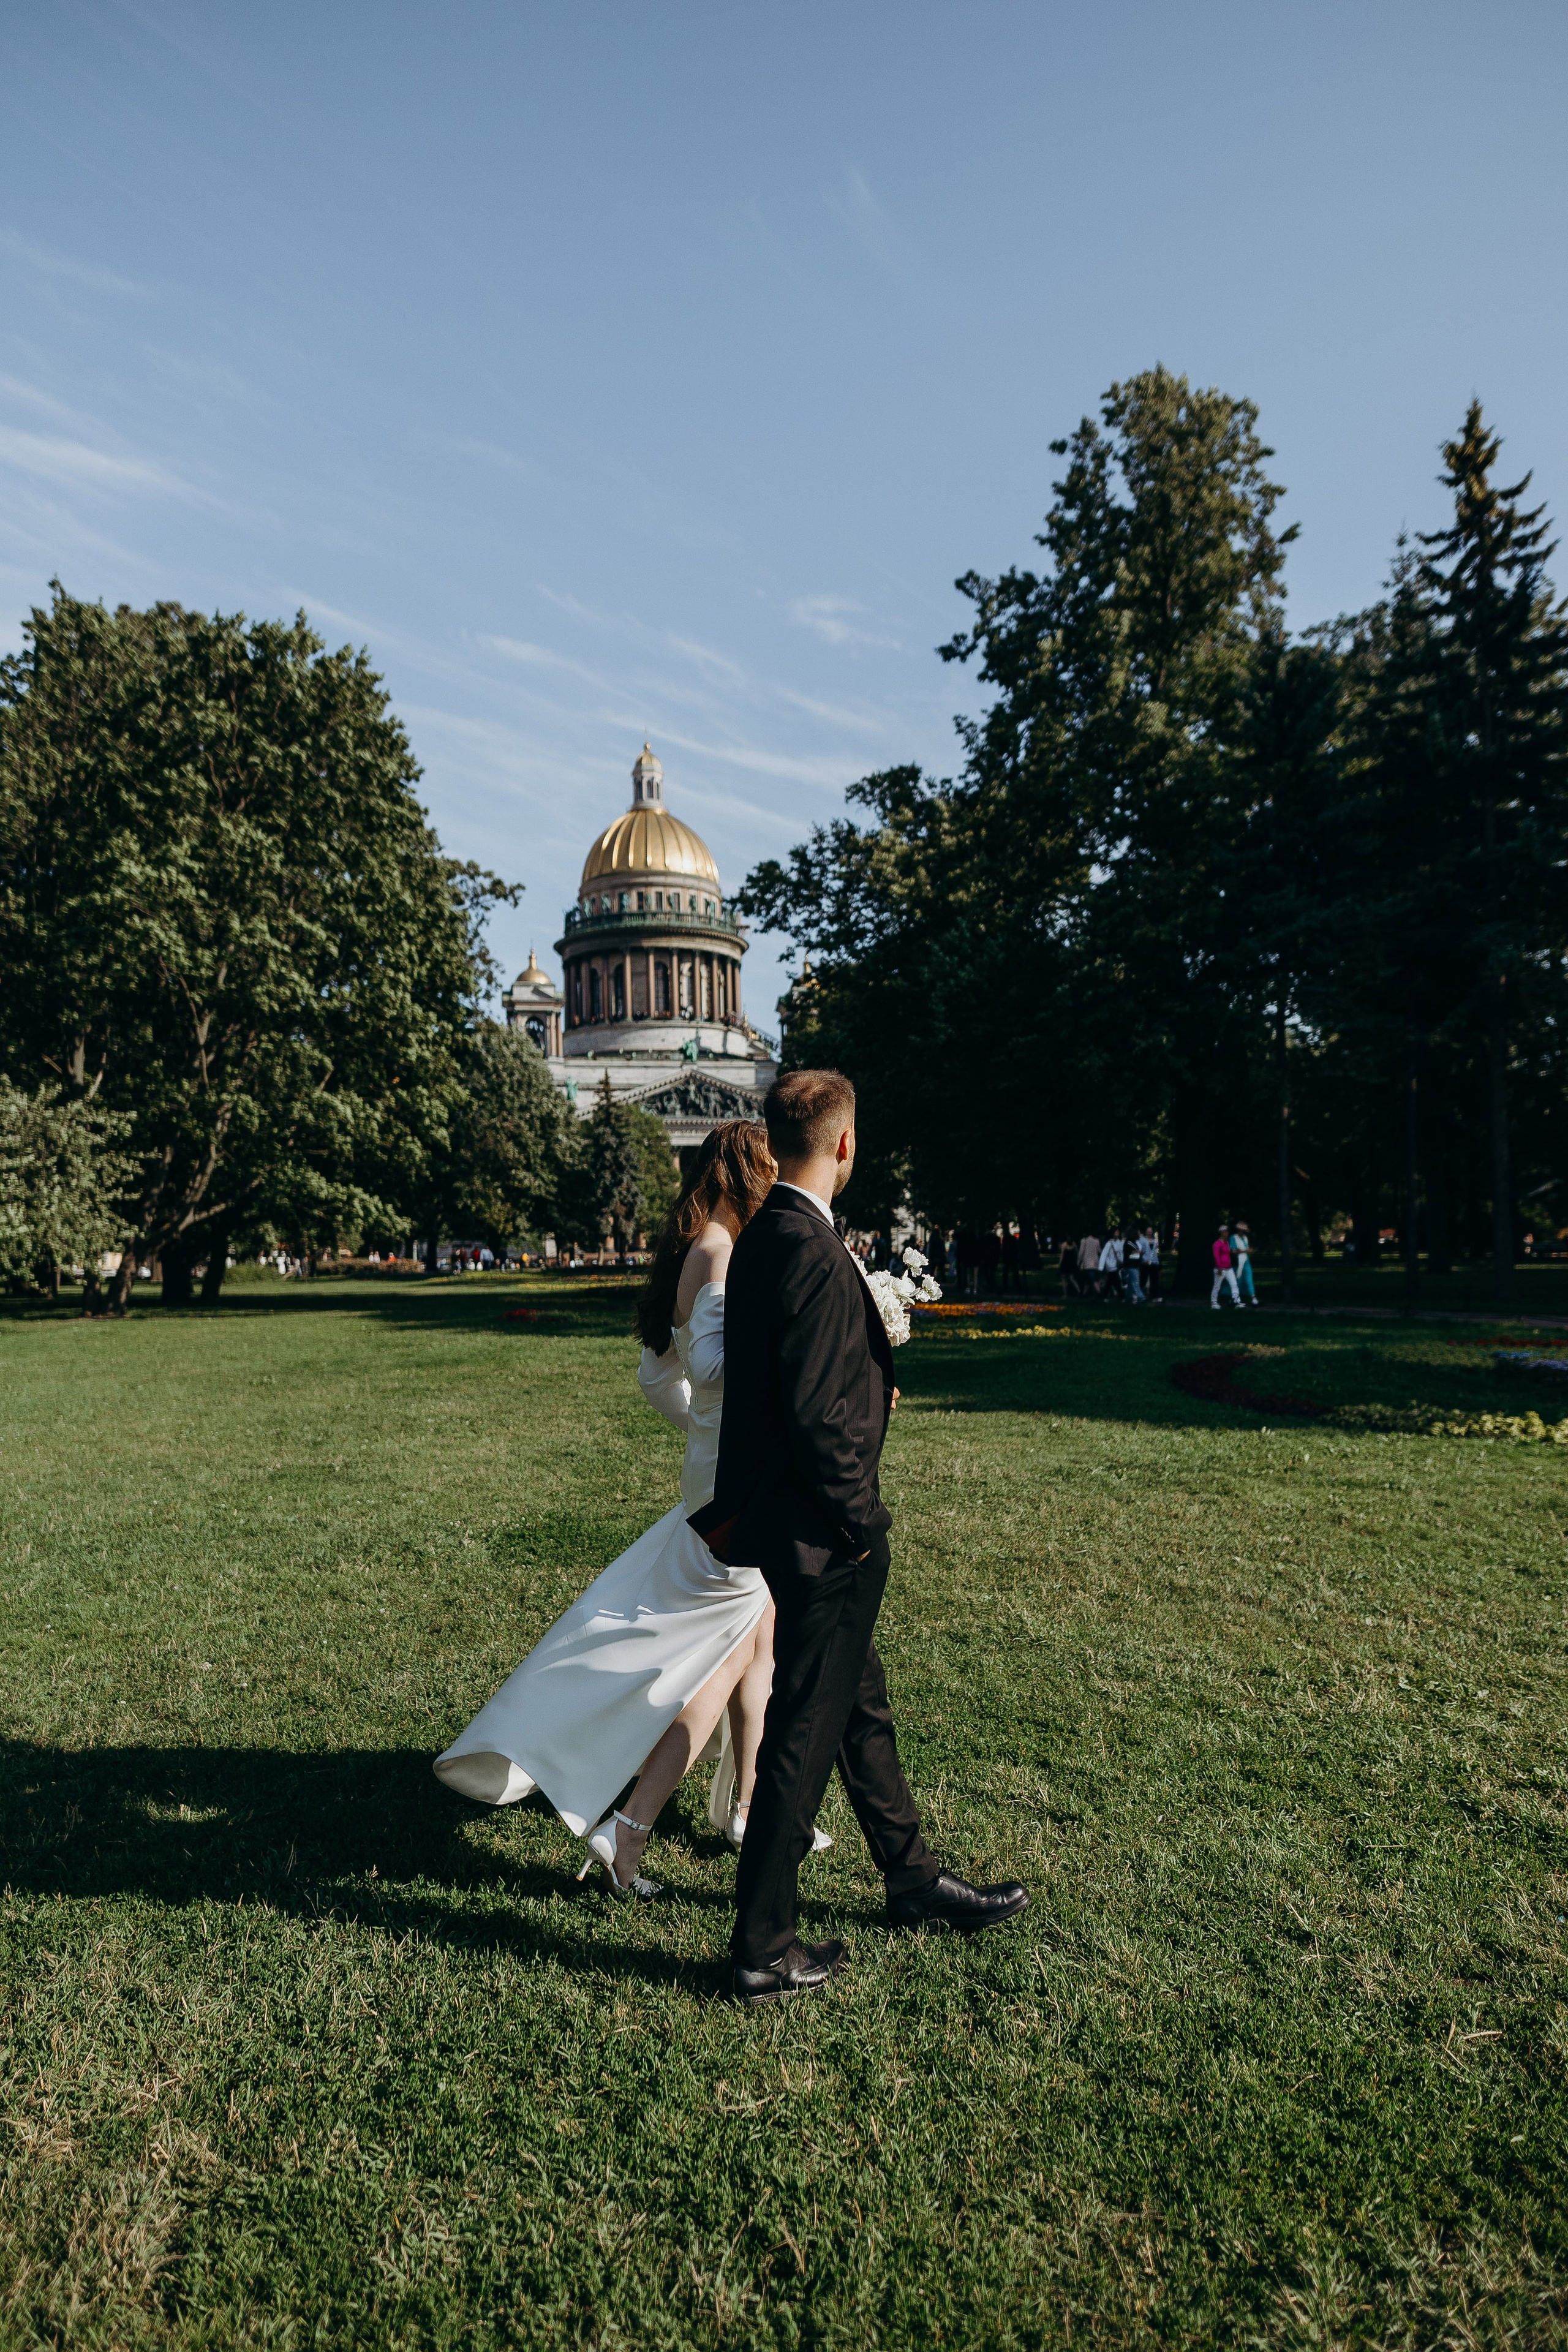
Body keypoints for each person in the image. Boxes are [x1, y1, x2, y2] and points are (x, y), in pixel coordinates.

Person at [693, 1069, 1029, 2007]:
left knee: (857, 1708)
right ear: (844, 1144)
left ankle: (910, 1875)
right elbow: (812, 1414)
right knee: (801, 1736)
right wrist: (860, 1524)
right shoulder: (804, 1243)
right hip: (824, 1532)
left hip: (792, 1520)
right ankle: (762, 1949)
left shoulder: (769, 1234)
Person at [434, 1122, 830, 1896]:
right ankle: (636, 1825)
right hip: (739, 1489)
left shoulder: (696, 1249)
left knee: (756, 1647)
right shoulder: (720, 1252)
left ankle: (747, 1808)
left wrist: (705, 1433)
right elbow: (716, 1368)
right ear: (749, 1174)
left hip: (718, 1476)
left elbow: (661, 1379)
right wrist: (801, 1346)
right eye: (771, 1170)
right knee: (722, 1660)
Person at [1211, 1223, 1240, 1309]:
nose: (1227, 1233)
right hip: (1221, 1269)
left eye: (1227, 1232)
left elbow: (1230, 1252)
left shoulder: (1227, 1243)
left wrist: (1237, 1251)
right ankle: (1214, 1303)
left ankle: (1236, 1302)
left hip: (1229, 1268)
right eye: (1225, 1232)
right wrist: (1220, 1267)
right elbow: (1217, 1257)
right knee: (1217, 1286)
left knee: (1234, 1285)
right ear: (1221, 1233)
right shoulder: (1217, 1244)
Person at [1231, 1219, 1259, 1306]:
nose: (1243, 1232)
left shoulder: (1245, 1238)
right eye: (1242, 1230)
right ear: (1239, 1230)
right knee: (1238, 1280)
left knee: (1249, 1279)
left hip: (1246, 1261)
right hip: (1238, 1262)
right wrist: (1245, 1251)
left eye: (1244, 1231)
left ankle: (1253, 1298)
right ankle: (1235, 1298)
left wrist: (1250, 1251)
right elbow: (1233, 1251)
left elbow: (1246, 1249)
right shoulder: (1233, 1237)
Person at [1098, 1228, 1124, 1301]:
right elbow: (1104, 1255)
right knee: (1115, 1282)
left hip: (1116, 1265)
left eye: (1118, 1232)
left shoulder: (1119, 1242)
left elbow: (1121, 1253)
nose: (1117, 1233)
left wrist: (1122, 1262)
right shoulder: (1109, 1243)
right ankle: (1122, 1296)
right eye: (1116, 1232)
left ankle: (1105, 1296)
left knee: (1111, 1282)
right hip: (1111, 1266)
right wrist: (1101, 1267)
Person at [1076, 1230, 1101, 1298]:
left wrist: (1078, 1262)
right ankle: (1084, 1294)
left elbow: (1081, 1253)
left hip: (1087, 1263)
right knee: (1088, 1279)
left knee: (1093, 1278)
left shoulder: (1084, 1241)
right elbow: (1099, 1251)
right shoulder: (1097, 1241)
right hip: (1095, 1263)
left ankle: (1099, 1292)